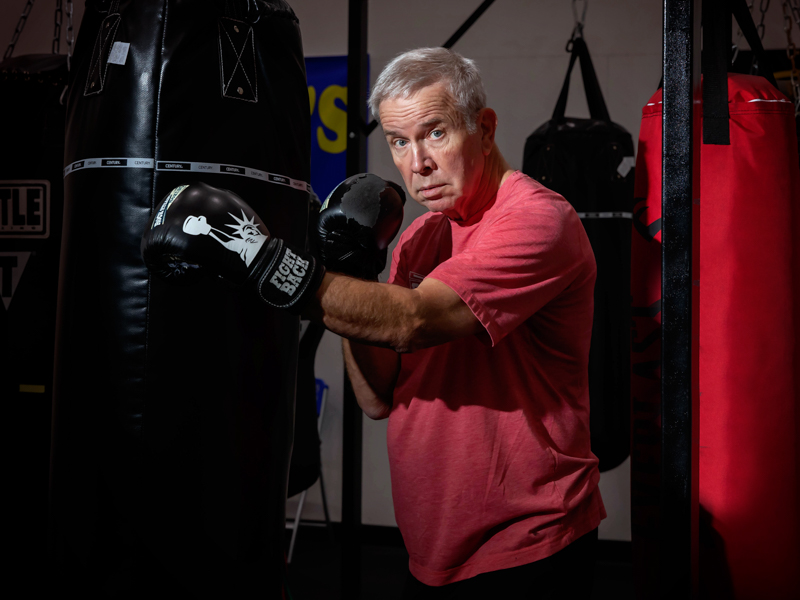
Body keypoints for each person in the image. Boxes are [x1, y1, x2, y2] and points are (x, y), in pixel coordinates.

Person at [141, 47, 605, 600]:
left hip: (528, 539)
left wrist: (264, 262)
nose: (417, 164)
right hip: (431, 542)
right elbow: (377, 394)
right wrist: (348, 271)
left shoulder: (537, 221)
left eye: (435, 133)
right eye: (399, 141)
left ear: (484, 127)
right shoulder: (420, 236)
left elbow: (414, 321)